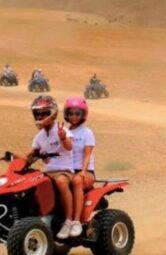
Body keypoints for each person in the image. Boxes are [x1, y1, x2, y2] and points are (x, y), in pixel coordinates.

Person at [25, 95, 74, 239]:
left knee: (61, 182)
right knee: (33, 183)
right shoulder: (39, 136)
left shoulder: (61, 130)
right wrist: (17, 158)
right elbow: (31, 152)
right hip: (47, 172)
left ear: (52, 113)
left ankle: (69, 221)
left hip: (63, 170)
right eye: (38, 114)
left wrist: (63, 137)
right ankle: (43, 215)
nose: (40, 116)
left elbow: (69, 146)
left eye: (44, 113)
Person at [64, 96, 95, 237]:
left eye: (77, 113)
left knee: (77, 181)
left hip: (86, 171)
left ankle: (76, 221)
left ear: (83, 115)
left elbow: (87, 155)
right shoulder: (64, 132)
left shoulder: (87, 133)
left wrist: (83, 171)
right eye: (70, 113)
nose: (74, 116)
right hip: (68, 170)